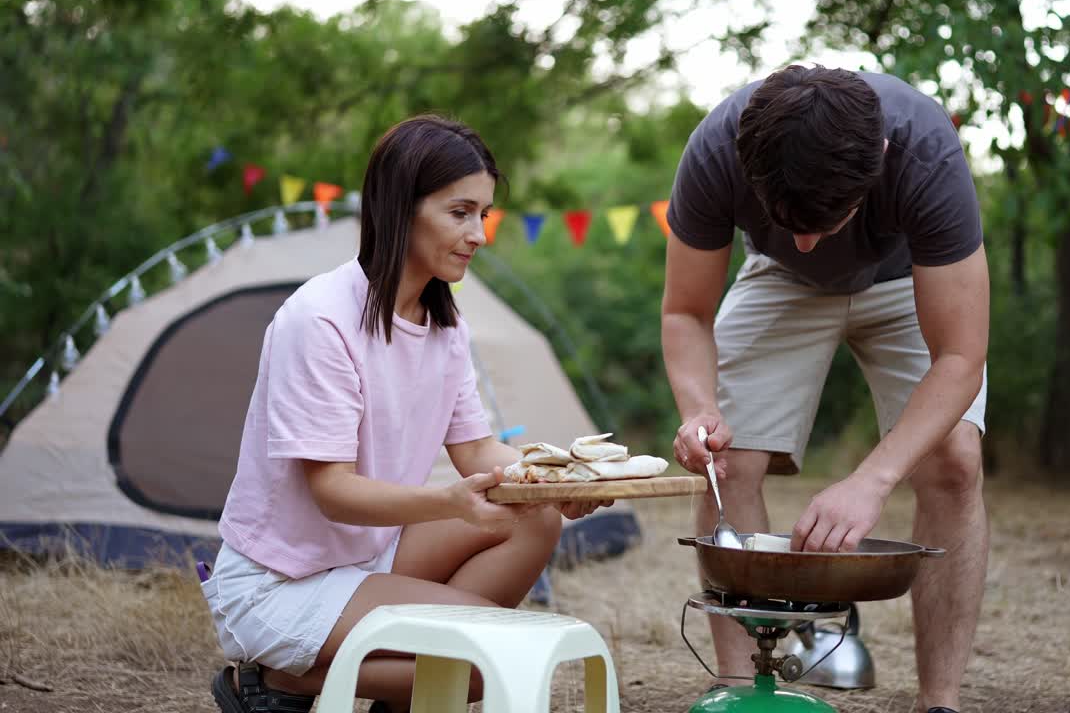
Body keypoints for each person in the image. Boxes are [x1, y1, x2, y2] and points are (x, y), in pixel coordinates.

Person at [203, 114, 609, 713]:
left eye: (484, 214)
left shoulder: (445, 327)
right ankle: (277, 682)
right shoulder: (320, 319)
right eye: (460, 212)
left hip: (369, 556)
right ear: (400, 207)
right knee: (484, 663)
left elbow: (477, 450)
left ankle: (398, 697)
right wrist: (449, 503)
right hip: (280, 584)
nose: (479, 234)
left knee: (536, 518)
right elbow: (332, 492)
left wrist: (563, 479)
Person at [661, 64, 989, 713]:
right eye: (789, 220)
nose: (807, 241)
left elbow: (959, 356)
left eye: (823, 221)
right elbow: (685, 313)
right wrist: (699, 409)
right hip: (777, 279)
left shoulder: (924, 151)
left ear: (880, 158)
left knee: (954, 460)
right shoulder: (716, 148)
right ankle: (740, 690)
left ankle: (940, 701)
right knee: (728, 459)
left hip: (909, 279)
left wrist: (871, 480)